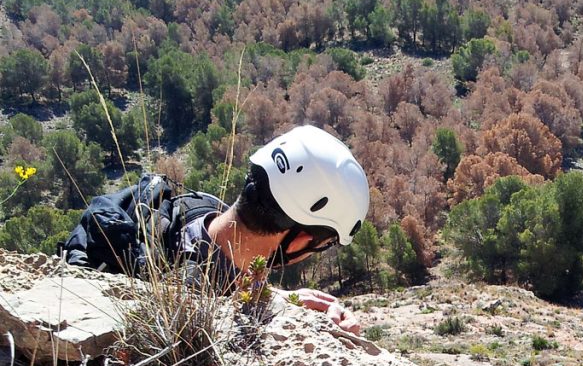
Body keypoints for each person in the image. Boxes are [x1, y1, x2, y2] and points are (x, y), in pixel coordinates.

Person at [60, 124, 370, 330]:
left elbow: (223, 270)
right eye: (323, 245)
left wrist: (282, 298)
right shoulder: (191, 301)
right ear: (300, 239)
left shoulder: (197, 212)